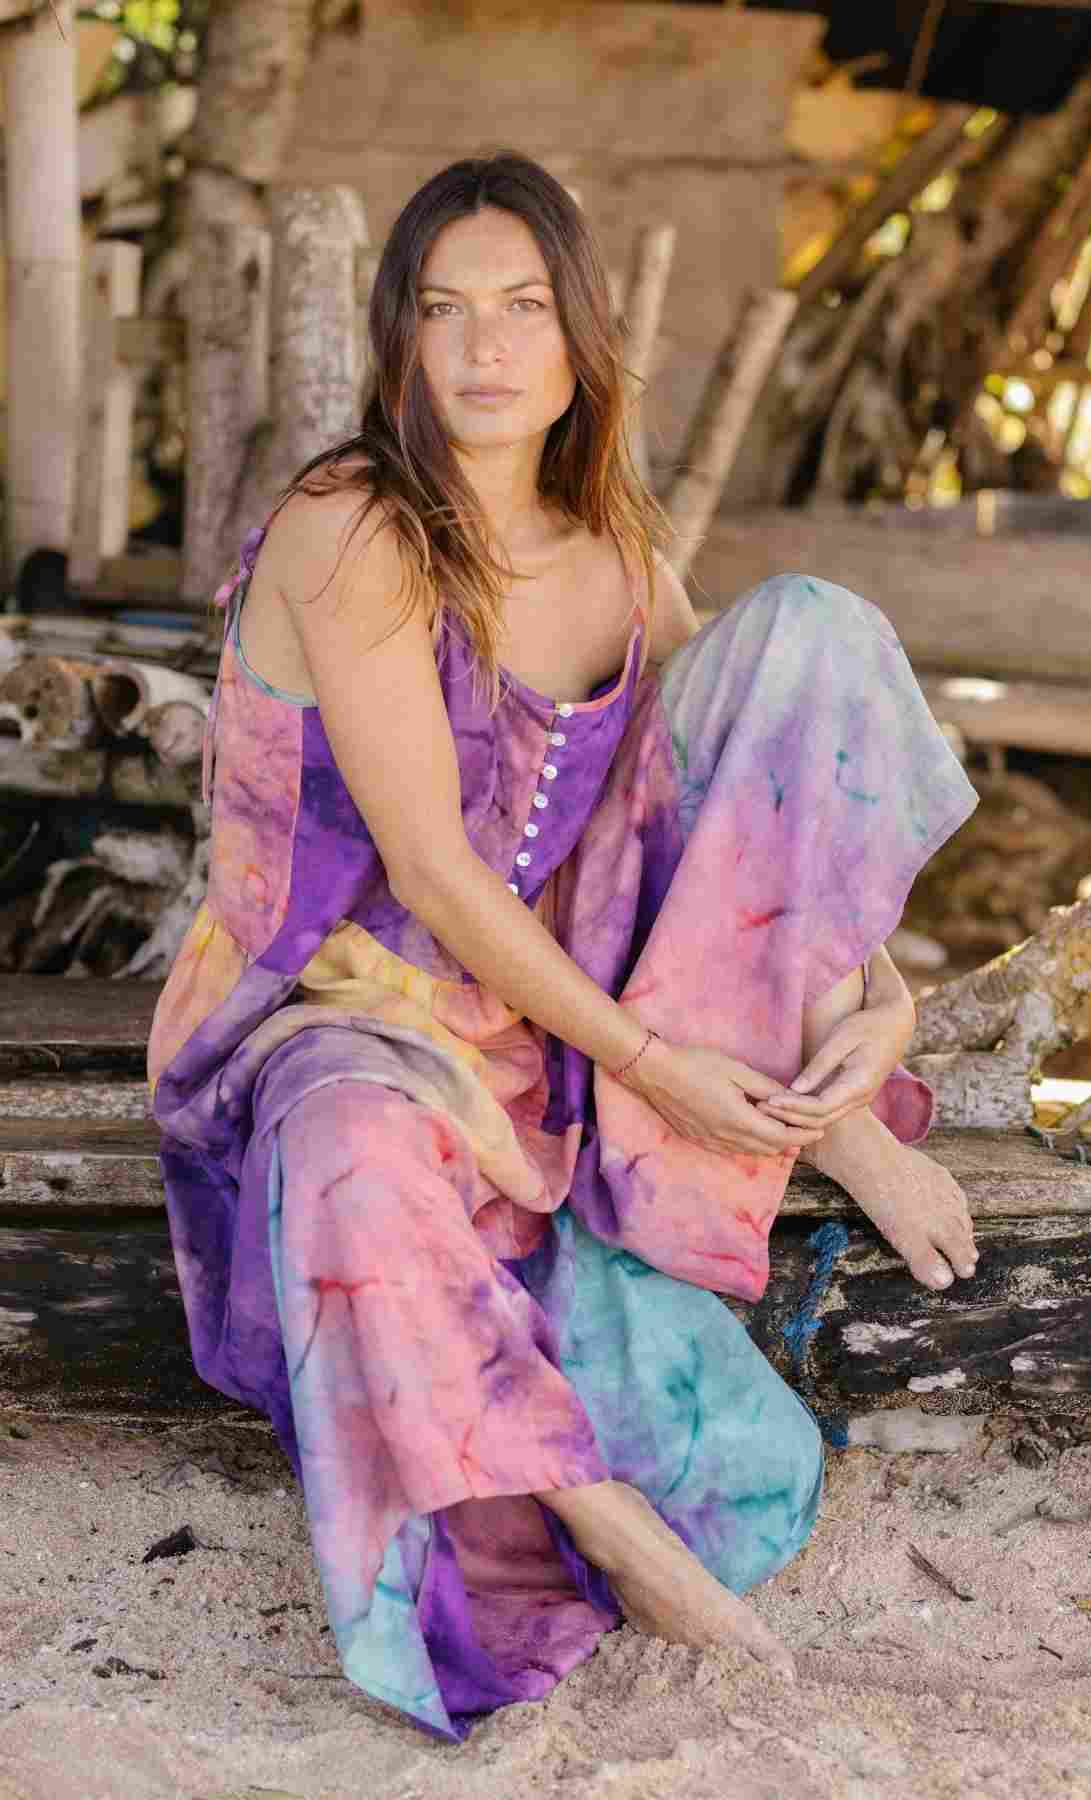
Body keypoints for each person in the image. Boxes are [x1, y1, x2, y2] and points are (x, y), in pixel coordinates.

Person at [149, 151, 979, 1741]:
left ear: (580, 338)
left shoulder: (604, 542)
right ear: (397, 344)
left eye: (523, 308)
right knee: (350, 1155)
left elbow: (741, 789)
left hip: (544, 1022)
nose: (483, 349)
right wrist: (659, 1059)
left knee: (807, 628)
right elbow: (437, 879)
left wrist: (882, 995)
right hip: (328, 1007)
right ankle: (586, 1508)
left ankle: (833, 1110)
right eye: (444, 312)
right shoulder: (352, 527)